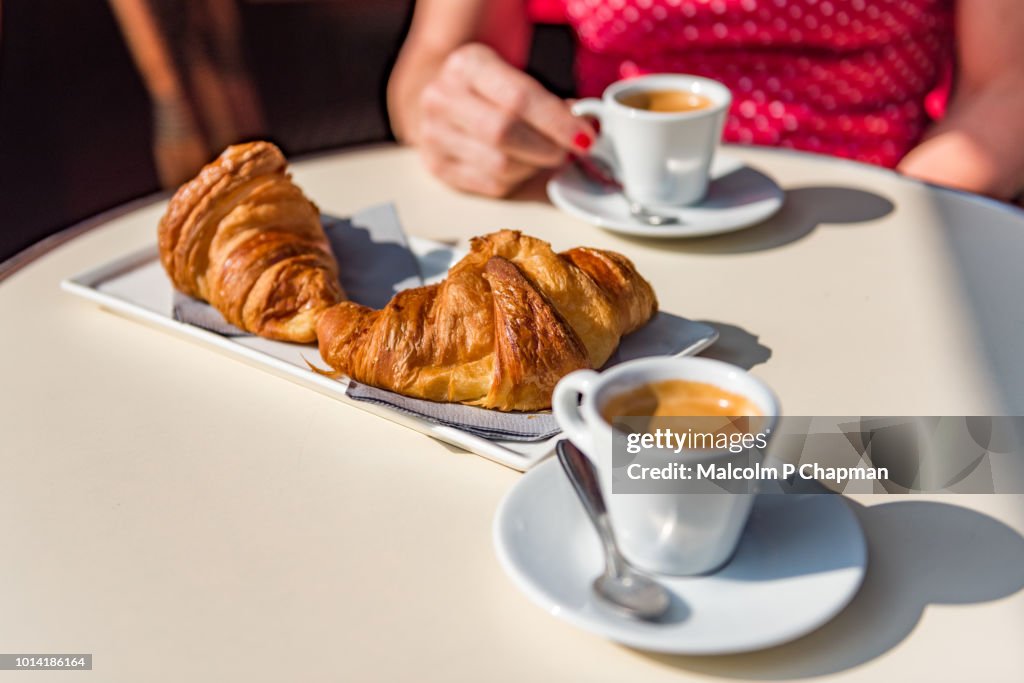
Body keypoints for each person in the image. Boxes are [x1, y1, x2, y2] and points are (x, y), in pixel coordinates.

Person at [388, 0, 1024, 201]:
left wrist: (899, 220)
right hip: (612, 210)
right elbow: (435, 61)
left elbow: (1004, 89)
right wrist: (454, 113)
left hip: (876, 205)